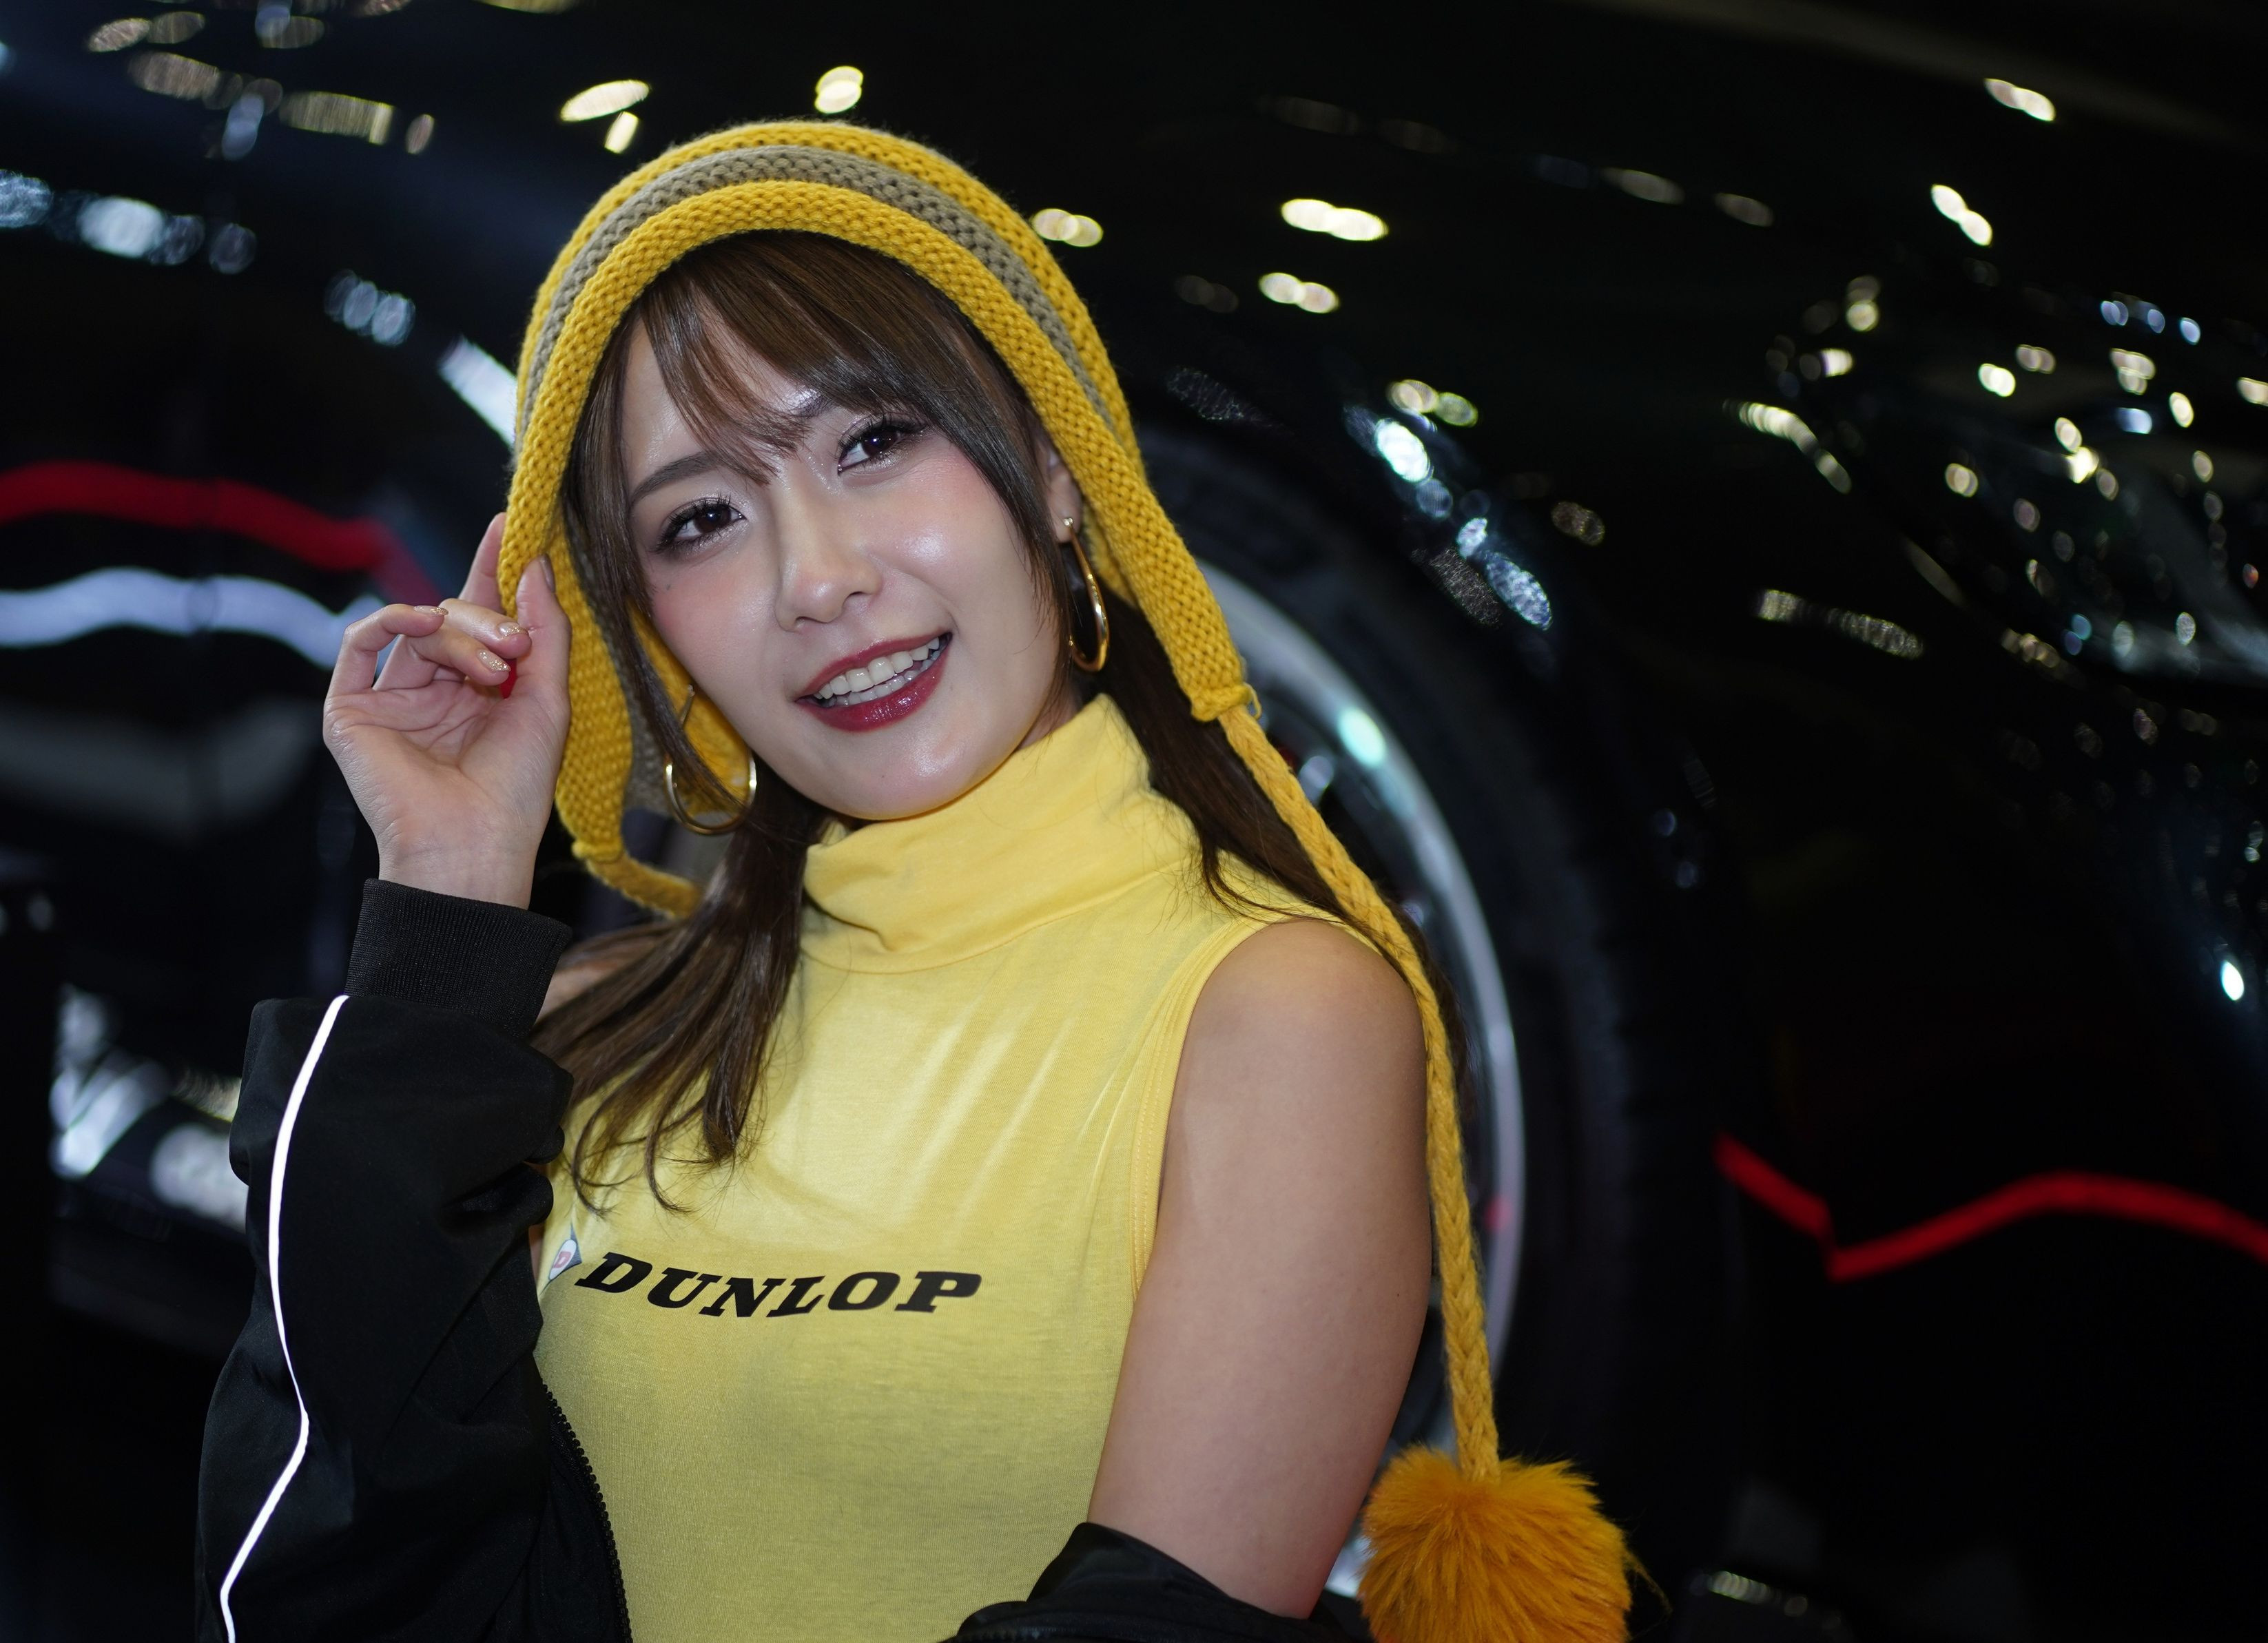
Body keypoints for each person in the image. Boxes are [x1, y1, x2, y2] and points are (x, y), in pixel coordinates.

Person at [194, 123, 1631, 1643]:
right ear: (647, 631)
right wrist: (447, 894)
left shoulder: (1278, 1020)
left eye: (872, 442)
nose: (817, 576)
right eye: (701, 519)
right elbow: (324, 1577)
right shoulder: (577, 1023)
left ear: (1055, 466)